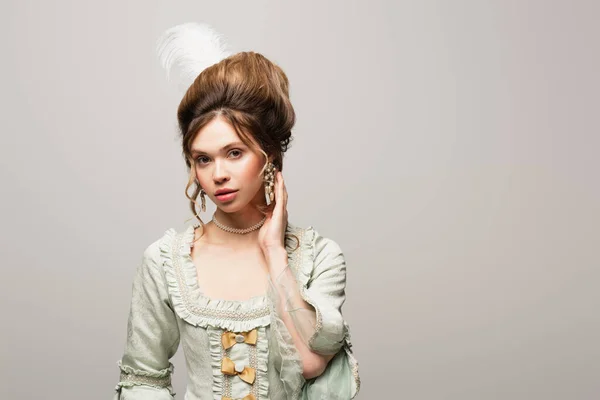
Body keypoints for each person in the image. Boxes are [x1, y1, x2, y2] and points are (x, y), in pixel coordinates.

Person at [112, 23, 360, 400]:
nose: (218, 175)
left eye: (234, 153)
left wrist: (275, 254)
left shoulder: (320, 257)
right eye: (202, 159)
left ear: (269, 155)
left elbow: (312, 361)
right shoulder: (166, 262)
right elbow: (142, 380)